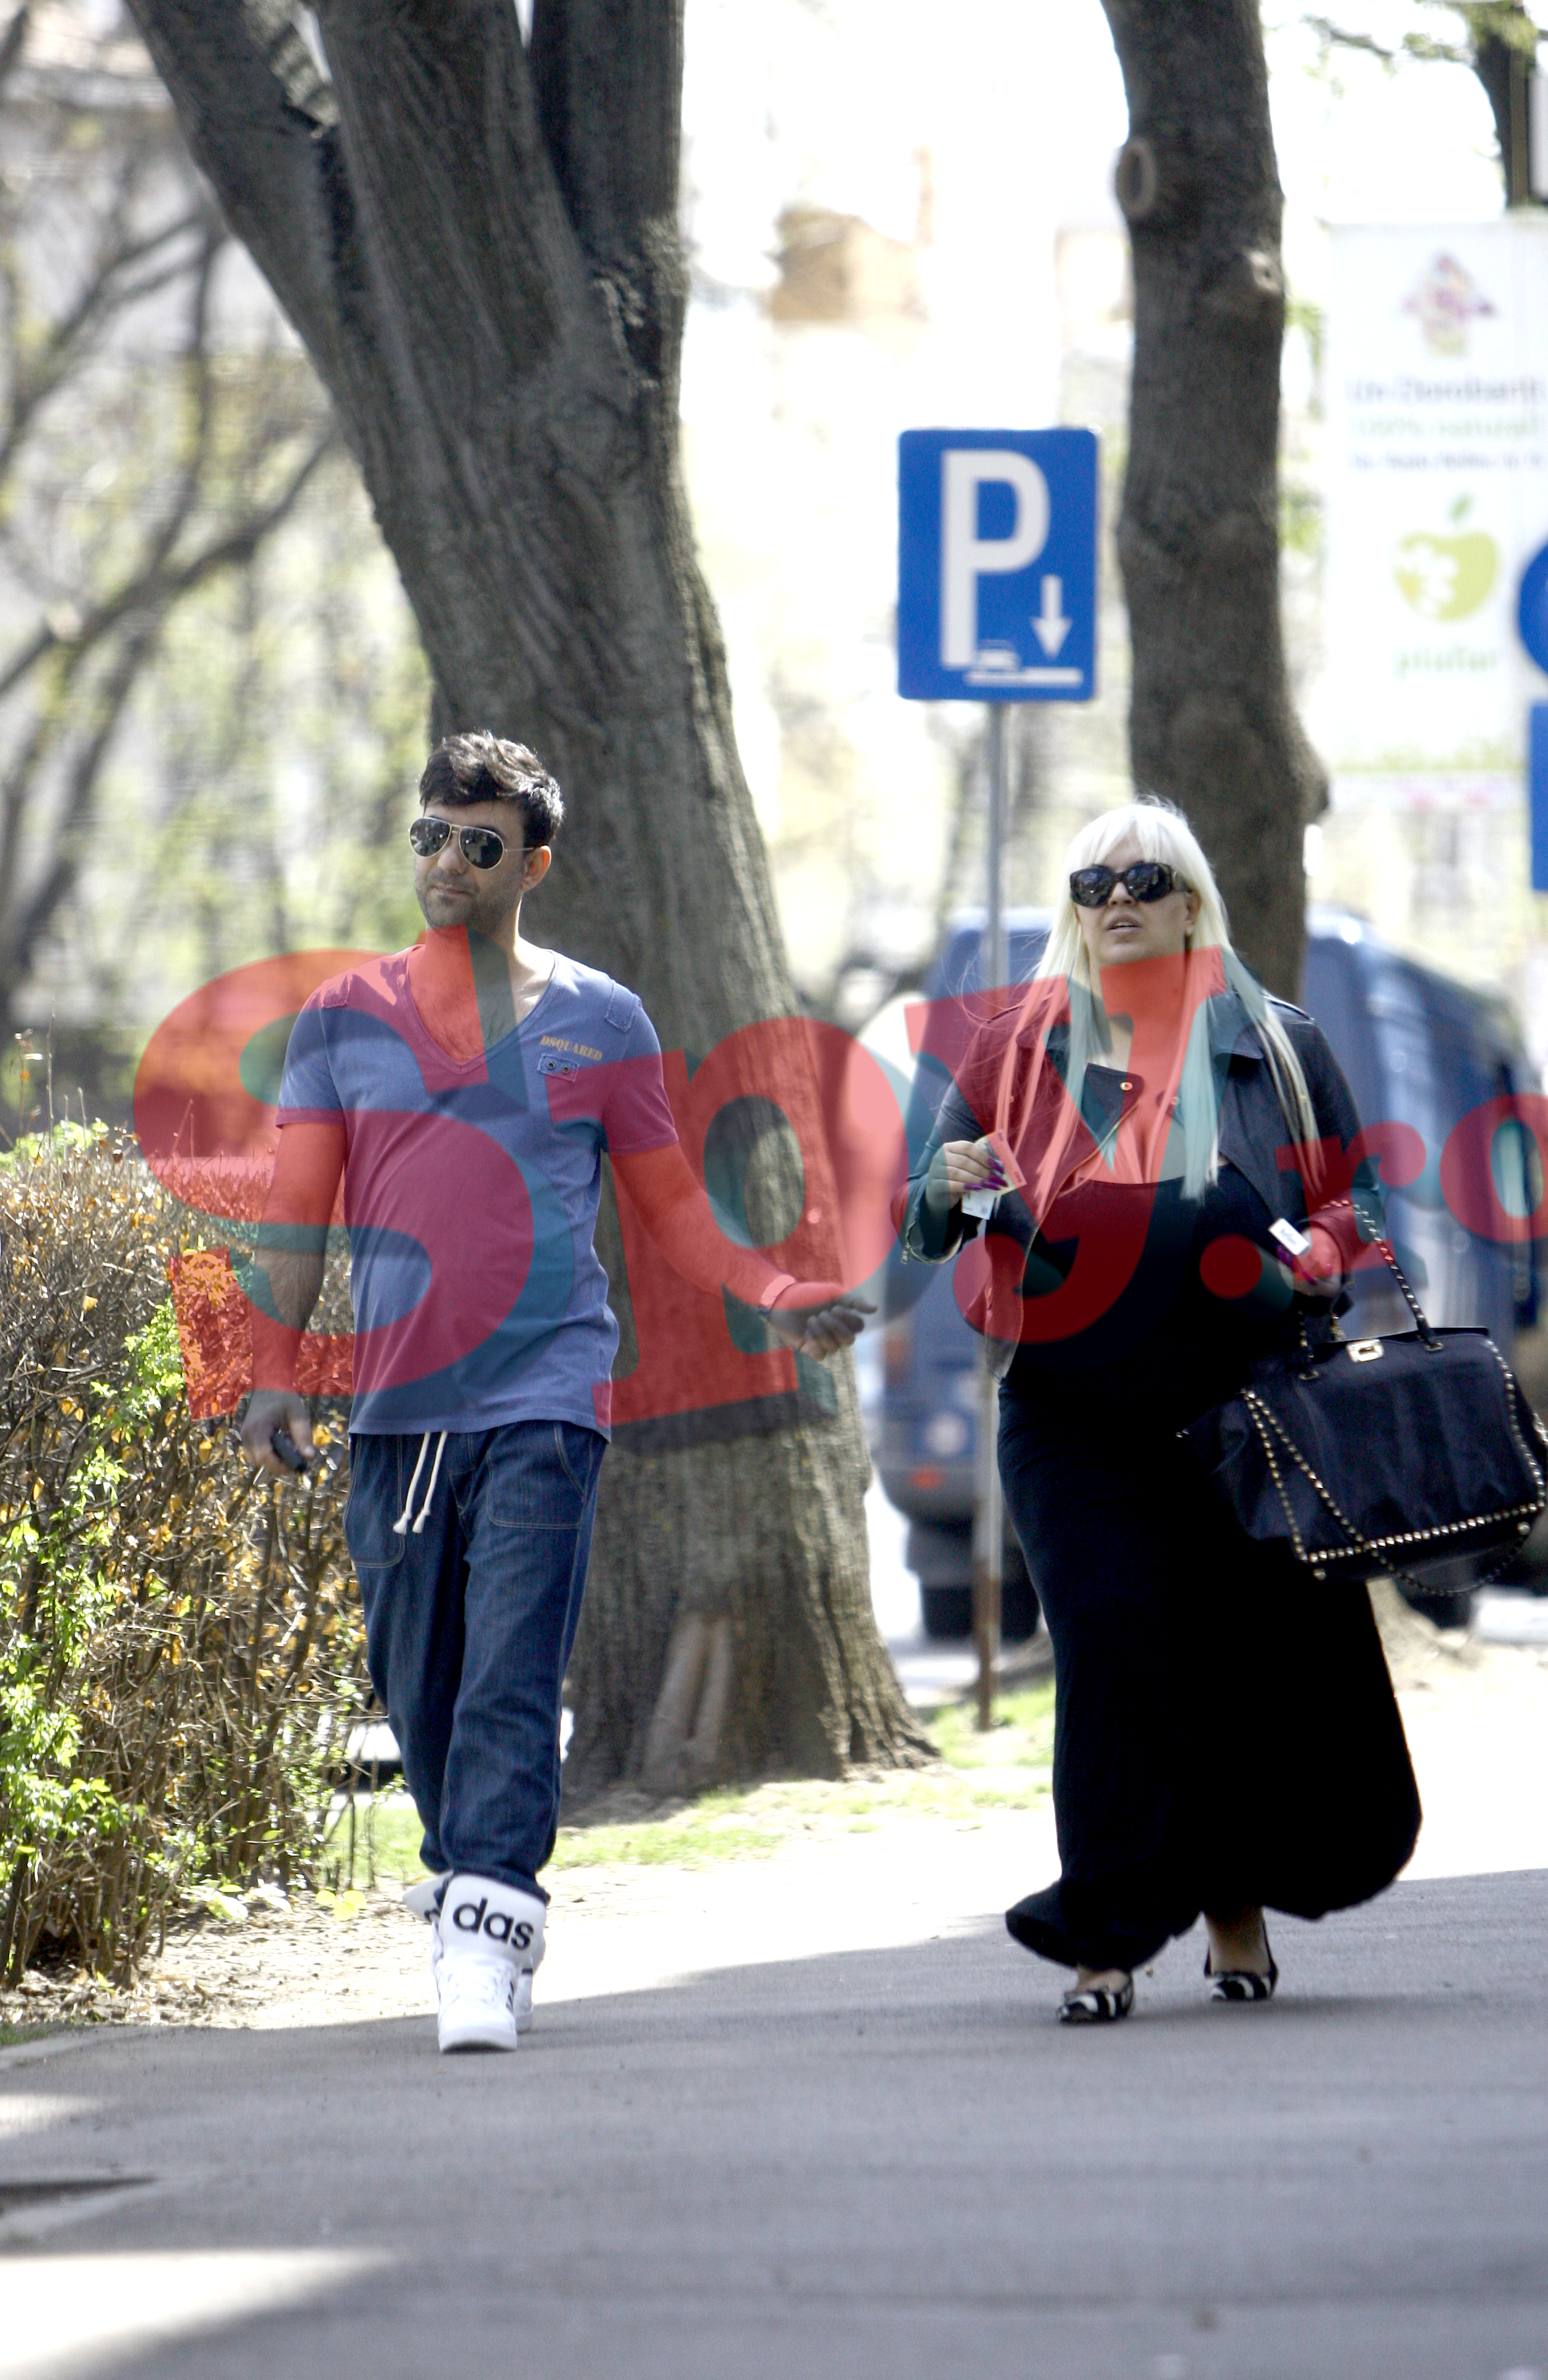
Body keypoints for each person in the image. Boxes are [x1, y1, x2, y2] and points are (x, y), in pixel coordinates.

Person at [240, 733, 866, 2053]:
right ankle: (467, 1874)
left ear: (533, 861)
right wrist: (270, 1374)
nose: (446, 864)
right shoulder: (342, 1019)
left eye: (477, 844)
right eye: (429, 836)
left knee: (512, 1674)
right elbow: (296, 1219)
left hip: (548, 1392)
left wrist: (780, 1296)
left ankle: (488, 1926)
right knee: (419, 1683)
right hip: (401, 1408)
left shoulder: (602, 1019)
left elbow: (674, 1217)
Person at [903, 799, 1421, 2022]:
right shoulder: (1011, 1047)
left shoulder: (1278, 1043)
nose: (1117, 901)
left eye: (1143, 879)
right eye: (1092, 885)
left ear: (1191, 900)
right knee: (1110, 1638)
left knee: (1239, 1658)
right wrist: (951, 1179)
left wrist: (1321, 1252)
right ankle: (1109, 1940)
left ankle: (1234, 1911)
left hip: (1243, 1403)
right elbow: (924, 1220)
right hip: (1071, 1410)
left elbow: (1365, 1205)